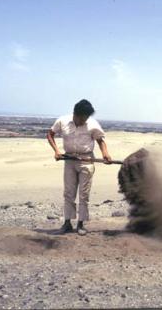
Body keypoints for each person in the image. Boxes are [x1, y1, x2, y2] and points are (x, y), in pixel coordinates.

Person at [46, 99, 112, 235]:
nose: (85, 120)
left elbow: (100, 140)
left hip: (86, 160)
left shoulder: (93, 124)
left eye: (87, 117)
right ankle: (67, 223)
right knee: (68, 193)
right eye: (83, 117)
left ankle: (81, 224)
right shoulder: (62, 121)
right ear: (75, 114)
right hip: (69, 160)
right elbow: (50, 134)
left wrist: (105, 154)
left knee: (84, 194)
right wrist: (56, 151)